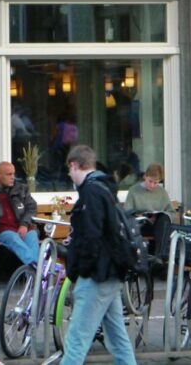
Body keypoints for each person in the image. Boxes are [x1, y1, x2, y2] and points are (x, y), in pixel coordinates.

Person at [60, 144, 136, 365]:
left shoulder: (90, 192)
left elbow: (91, 236)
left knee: (76, 339)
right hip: (112, 271)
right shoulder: (105, 188)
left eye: (69, 170)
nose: (70, 175)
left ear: (74, 165)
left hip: (97, 275)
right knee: (117, 338)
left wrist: (82, 269)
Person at [123, 162, 175, 258]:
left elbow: (171, 212)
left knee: (164, 219)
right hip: (140, 225)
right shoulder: (134, 190)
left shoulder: (162, 192)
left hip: (157, 226)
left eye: (156, 183)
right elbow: (127, 212)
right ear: (145, 176)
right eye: (150, 181)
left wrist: (158, 216)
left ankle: (160, 257)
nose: (152, 185)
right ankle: (156, 258)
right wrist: (141, 216)